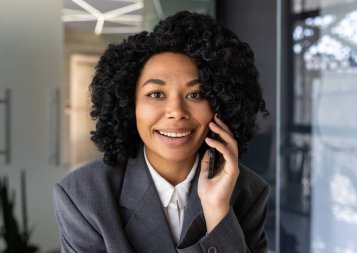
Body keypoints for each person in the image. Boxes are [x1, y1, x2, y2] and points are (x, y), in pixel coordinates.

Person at [53, 11, 270, 253]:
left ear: (220, 105)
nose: (176, 112)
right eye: (156, 94)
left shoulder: (248, 192)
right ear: (128, 104)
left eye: (195, 94)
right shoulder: (82, 195)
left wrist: (217, 211)